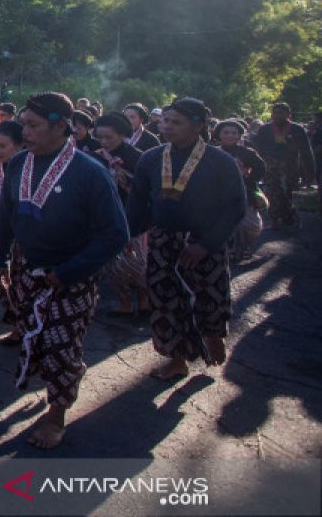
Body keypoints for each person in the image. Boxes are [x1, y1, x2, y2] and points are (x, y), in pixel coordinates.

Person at [0, 92, 128, 450]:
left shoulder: (90, 172)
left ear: (61, 127)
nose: (26, 132)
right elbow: (6, 212)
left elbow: (116, 234)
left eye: (34, 125)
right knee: (34, 336)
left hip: (71, 273)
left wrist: (69, 271)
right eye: (24, 124)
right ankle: (61, 380)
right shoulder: (19, 162)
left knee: (62, 345)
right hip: (26, 268)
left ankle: (56, 415)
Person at [127, 98, 246, 382]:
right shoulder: (151, 158)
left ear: (199, 127)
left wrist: (206, 245)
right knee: (165, 301)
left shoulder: (220, 161)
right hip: (162, 241)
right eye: (165, 120)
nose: (167, 126)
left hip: (205, 242)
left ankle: (213, 334)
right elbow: (138, 202)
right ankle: (177, 359)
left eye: (176, 122)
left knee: (210, 296)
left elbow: (235, 207)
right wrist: (127, 234)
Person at [93, 111, 149, 316]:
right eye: (100, 137)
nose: (104, 142)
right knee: (114, 265)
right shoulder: (95, 157)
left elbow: (145, 191)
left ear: (122, 134)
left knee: (139, 263)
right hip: (107, 217)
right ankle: (124, 303)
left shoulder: (139, 158)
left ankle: (144, 301)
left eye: (109, 137)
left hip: (135, 217)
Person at [0, 119, 24, 345]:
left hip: (21, 236)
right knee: (6, 282)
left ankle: (23, 328)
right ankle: (17, 327)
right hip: (2, 231)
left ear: (20, 146)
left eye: (3, 146)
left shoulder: (25, 169)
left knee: (20, 284)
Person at [252, 103, 314, 230]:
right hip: (270, 167)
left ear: (288, 114)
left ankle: (289, 216)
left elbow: (306, 151)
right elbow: (257, 148)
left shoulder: (297, 129)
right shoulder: (265, 129)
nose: (277, 115)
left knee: (288, 192)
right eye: (275, 112)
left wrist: (310, 172)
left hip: (290, 167)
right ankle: (274, 218)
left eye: (281, 112)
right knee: (273, 192)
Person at [213, 119, 265, 259]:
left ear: (239, 135)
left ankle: (244, 245)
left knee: (251, 225)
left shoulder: (247, 152)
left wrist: (249, 180)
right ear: (218, 135)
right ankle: (228, 250)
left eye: (234, 133)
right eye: (226, 132)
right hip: (217, 193)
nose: (230, 135)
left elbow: (260, 167)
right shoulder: (212, 153)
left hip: (244, 191)